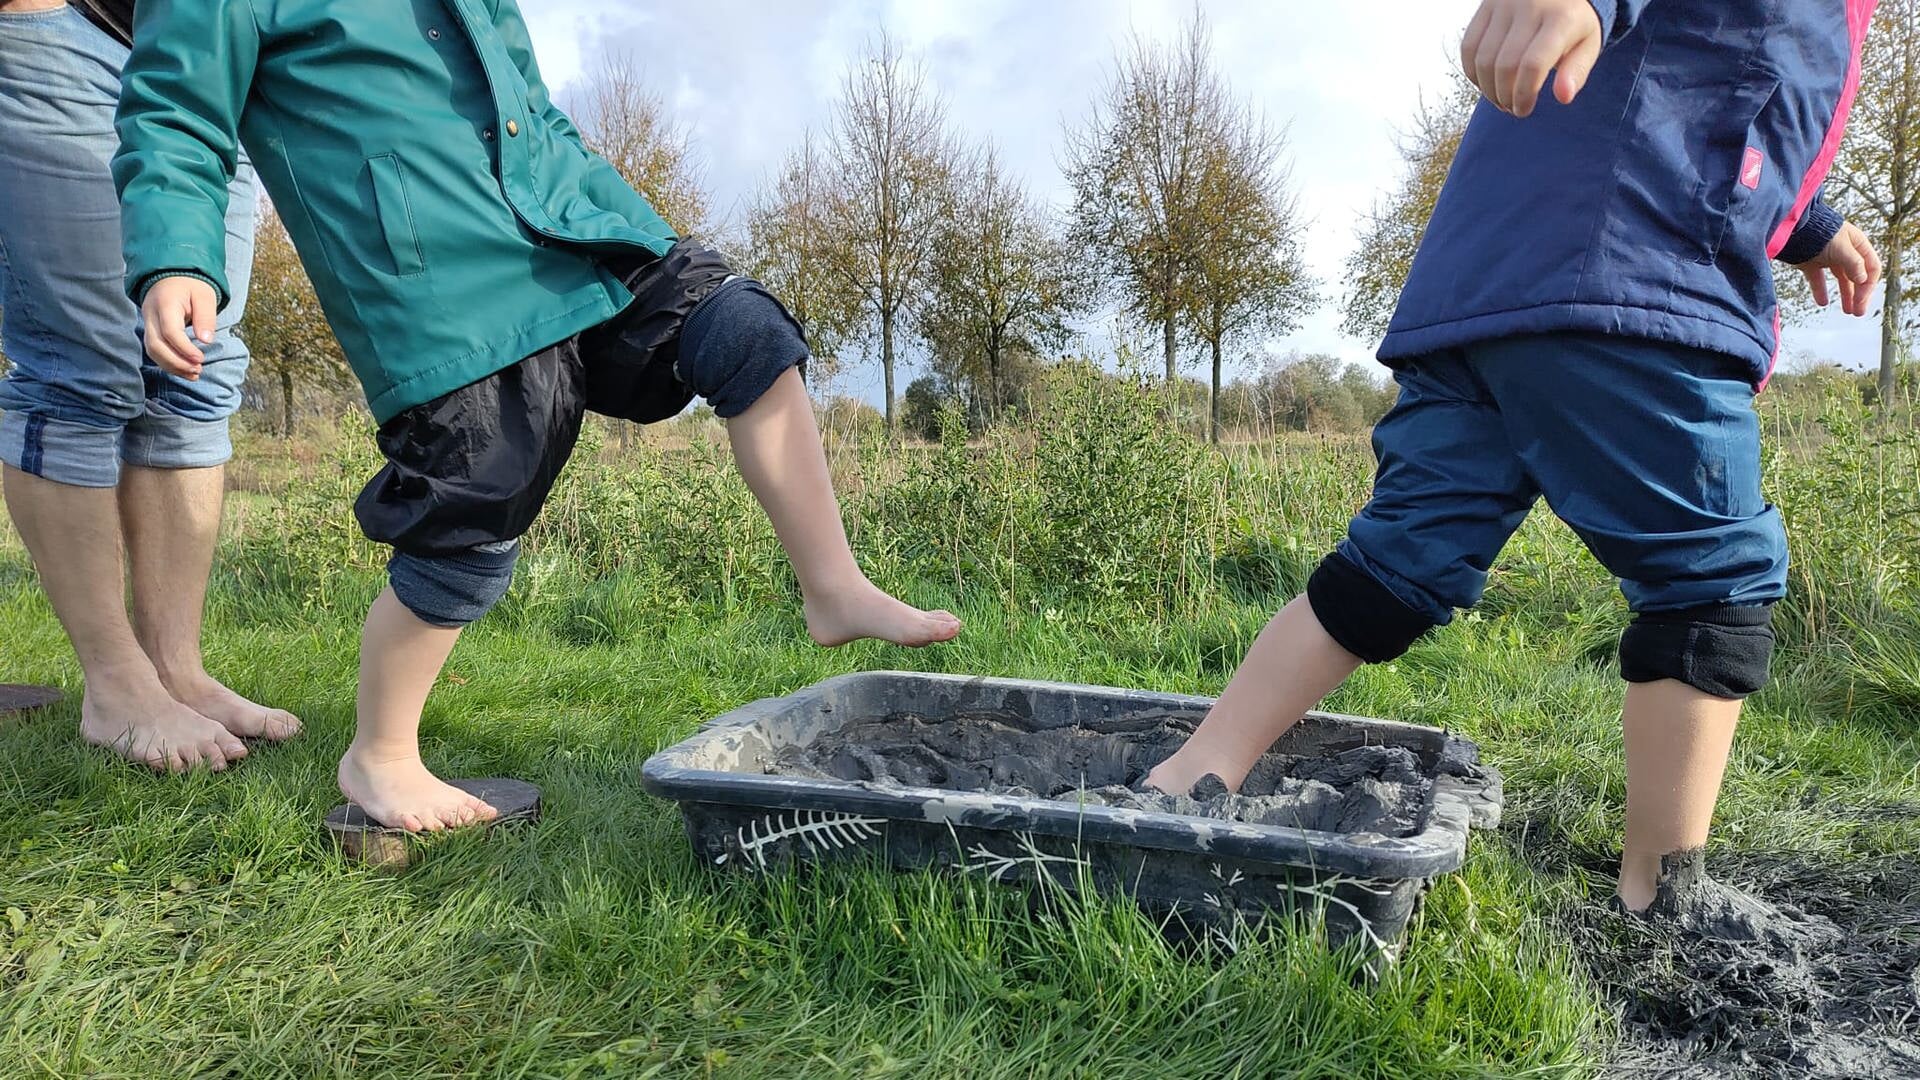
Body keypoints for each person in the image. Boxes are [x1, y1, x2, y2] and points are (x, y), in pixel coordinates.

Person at [112, 0, 961, 833]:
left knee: (743, 331)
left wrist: (633, 228)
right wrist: (178, 256)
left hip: (570, 231)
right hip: (438, 283)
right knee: (482, 491)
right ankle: (381, 752)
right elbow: (175, 110)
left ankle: (833, 586)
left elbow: (530, 110)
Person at [1148, 0, 1882, 915]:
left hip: (1482, 285)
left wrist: (1806, 218)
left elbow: (1723, 76)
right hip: (1636, 270)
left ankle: (1186, 777)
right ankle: (1663, 905)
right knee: (1712, 587)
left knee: (1391, 567)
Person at [0, 0, 300, 773]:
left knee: (196, 364)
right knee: (82, 365)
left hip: (202, 52)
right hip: (55, 22)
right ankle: (116, 683)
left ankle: (176, 670)